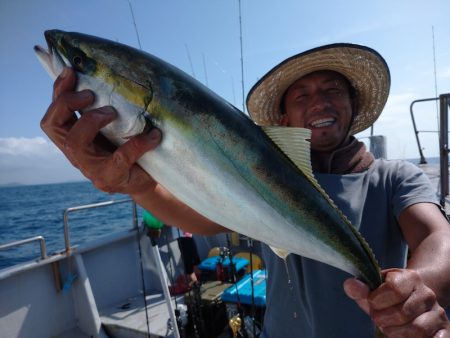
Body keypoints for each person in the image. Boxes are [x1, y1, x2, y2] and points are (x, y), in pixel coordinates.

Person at [40, 43, 450, 337]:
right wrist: (135, 185)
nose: (319, 103)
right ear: (285, 117)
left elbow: (438, 236)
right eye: (302, 95)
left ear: (353, 105)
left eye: (332, 90)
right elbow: (199, 218)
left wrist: (412, 289)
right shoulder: (256, 179)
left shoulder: (396, 177)